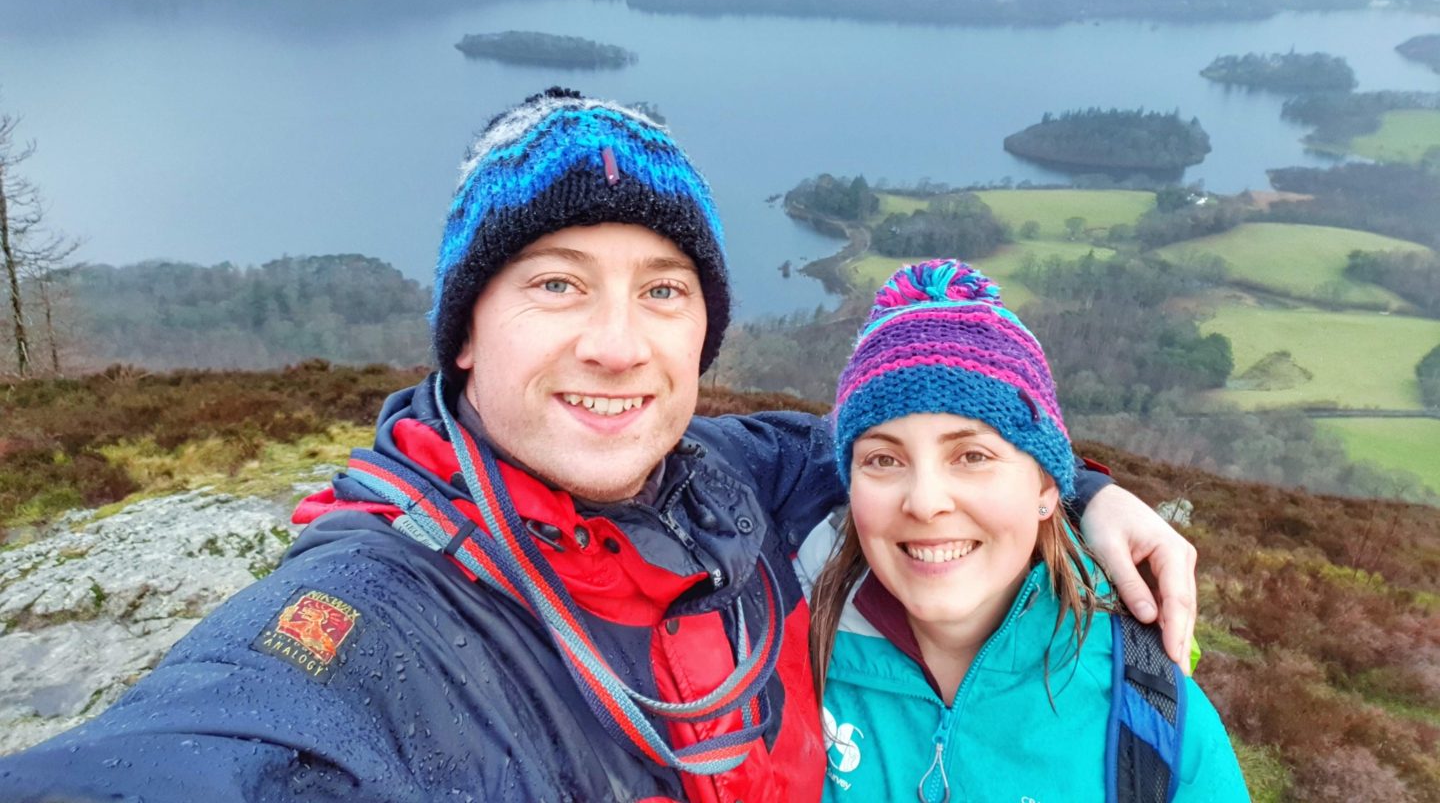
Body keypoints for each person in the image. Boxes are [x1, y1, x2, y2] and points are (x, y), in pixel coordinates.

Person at [0, 90, 1198, 802]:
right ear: (465, 333)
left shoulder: (725, 478)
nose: (620, 346)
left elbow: (885, 445)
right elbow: (215, 745)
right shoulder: (382, 608)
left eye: (664, 292)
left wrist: (1081, 490)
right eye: (559, 284)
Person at [803, 259, 1247, 801]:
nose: (923, 502)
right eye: (882, 460)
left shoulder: (1151, 718)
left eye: (971, 455)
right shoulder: (771, 652)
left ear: (1047, 489)